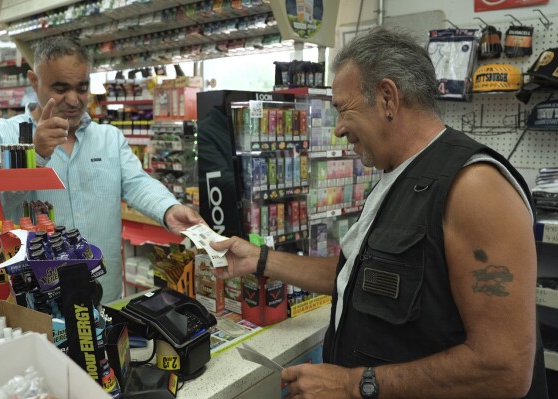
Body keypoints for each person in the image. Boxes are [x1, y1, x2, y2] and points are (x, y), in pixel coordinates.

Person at [211, 27, 548, 398]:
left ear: (388, 97)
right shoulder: (398, 176)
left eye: (343, 109)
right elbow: (357, 275)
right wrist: (259, 259)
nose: (338, 129)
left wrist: (351, 385)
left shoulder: (474, 187)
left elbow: (505, 368)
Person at [0, 36, 204, 303]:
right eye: (60, 88)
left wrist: (168, 208)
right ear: (34, 81)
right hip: (36, 301)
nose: (73, 100)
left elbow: (138, 183)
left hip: (104, 293)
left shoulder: (109, 138)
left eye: (82, 88)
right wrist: (33, 156)